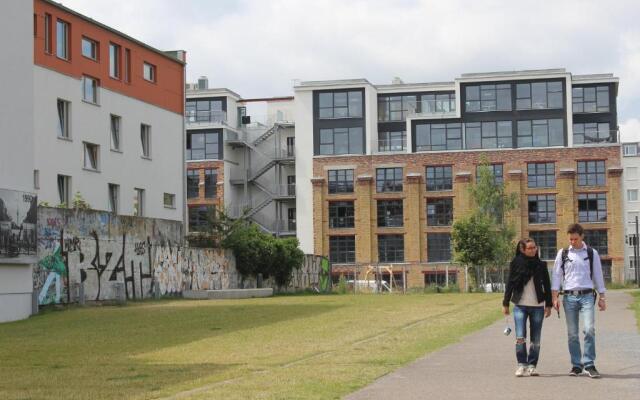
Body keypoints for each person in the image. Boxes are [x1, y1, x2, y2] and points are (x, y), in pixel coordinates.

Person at [551, 223, 606, 378]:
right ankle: (576, 365)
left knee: (589, 329)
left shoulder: (591, 253)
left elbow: (598, 275)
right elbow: (556, 276)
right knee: (572, 334)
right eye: (570, 239)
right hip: (569, 297)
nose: (572, 242)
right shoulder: (562, 253)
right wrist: (554, 297)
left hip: (587, 296)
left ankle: (589, 364)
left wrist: (602, 297)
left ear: (582, 236)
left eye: (575, 239)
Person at [503, 238, 552, 377]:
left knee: (535, 339)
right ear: (522, 249)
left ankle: (532, 365)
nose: (533, 250)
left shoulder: (541, 265)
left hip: (537, 306)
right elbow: (510, 284)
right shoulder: (516, 263)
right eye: (529, 248)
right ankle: (521, 365)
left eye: (534, 247)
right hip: (520, 306)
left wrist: (548, 305)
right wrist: (505, 303)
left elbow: (547, 286)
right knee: (520, 337)